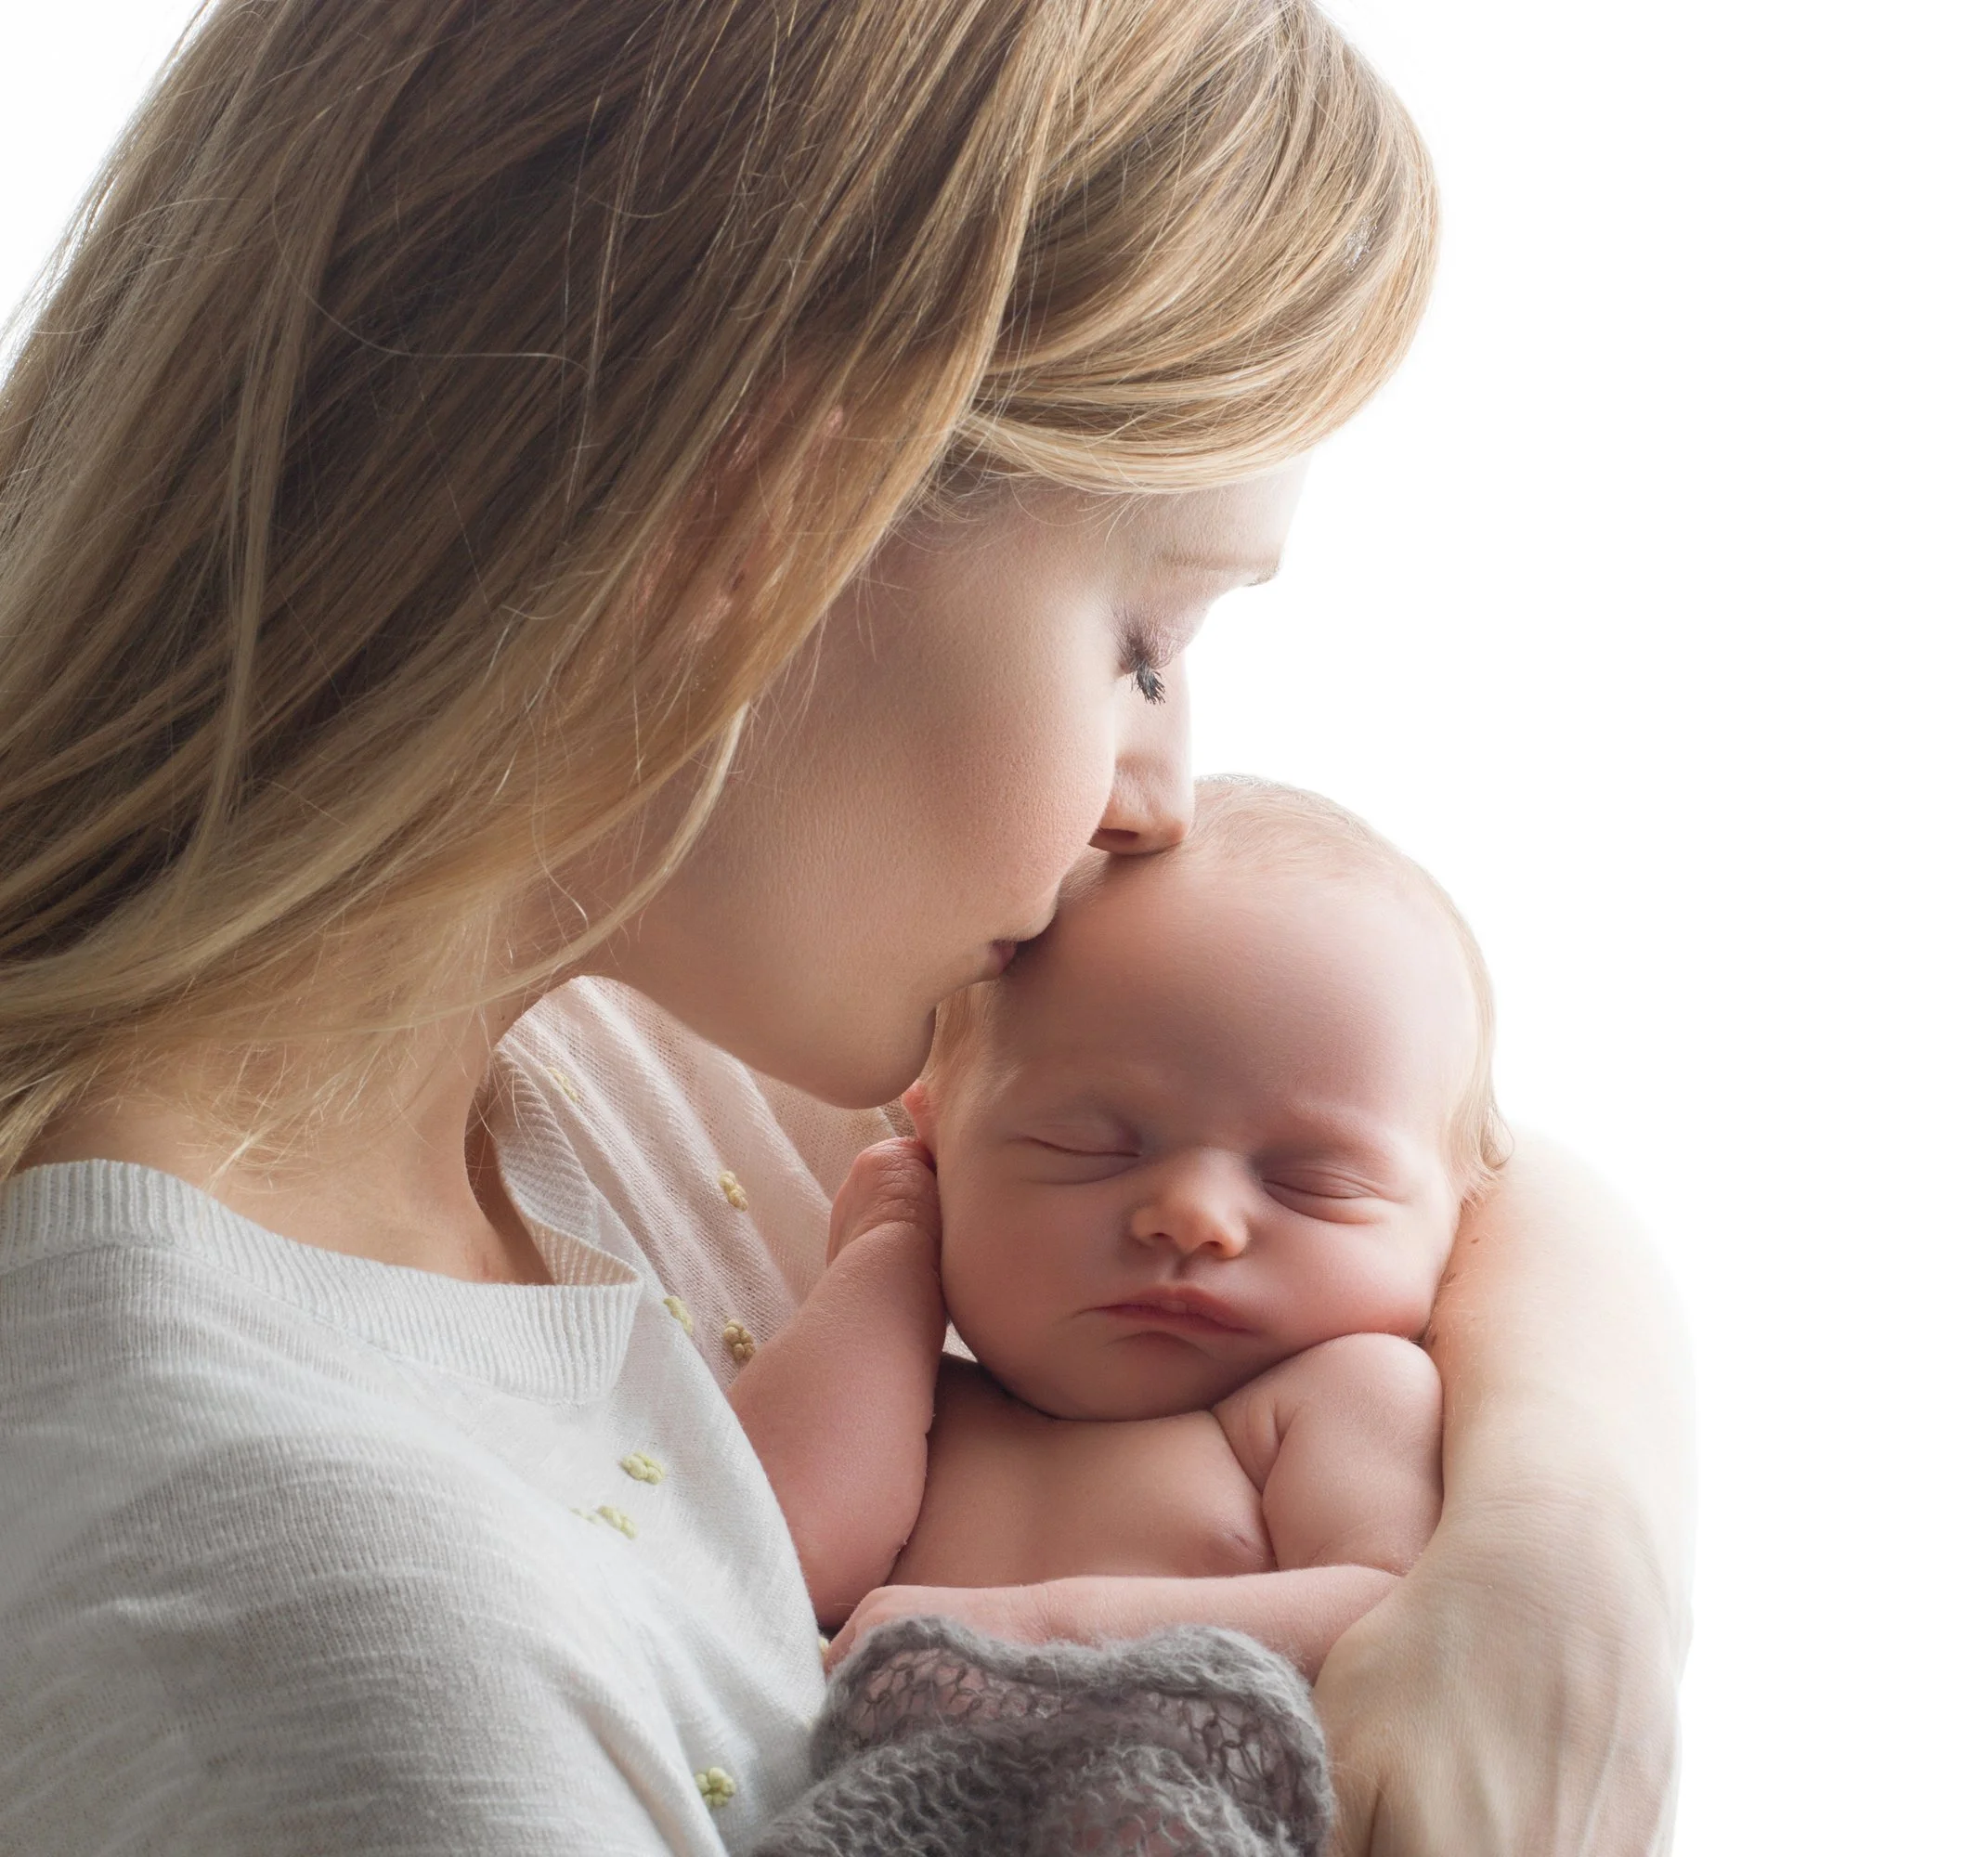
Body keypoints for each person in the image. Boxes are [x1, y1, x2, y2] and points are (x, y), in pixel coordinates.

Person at [0, 1, 1691, 1851]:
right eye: (1144, 645)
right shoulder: (334, 1668)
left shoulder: (614, 1010)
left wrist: (1558, 1554)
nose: (1160, 796)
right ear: (769, 511)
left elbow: (1460, 1170)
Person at [744, 778, 1500, 1682]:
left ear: (1457, 1214)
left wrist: (1049, 1629)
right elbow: (771, 1552)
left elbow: (1396, 1620)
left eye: (1313, 1182)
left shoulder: (1342, 1393)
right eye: (1087, 1146)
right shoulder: (917, 1401)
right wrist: (892, 1245)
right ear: (940, 1140)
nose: (1194, 1217)